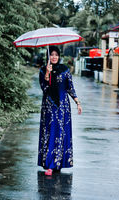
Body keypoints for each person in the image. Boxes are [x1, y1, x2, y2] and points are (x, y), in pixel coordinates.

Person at [38, 46, 82, 176]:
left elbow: (70, 88)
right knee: (50, 133)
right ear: (48, 57)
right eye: (51, 54)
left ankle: (58, 163)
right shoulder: (43, 70)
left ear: (59, 56)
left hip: (63, 107)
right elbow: (44, 88)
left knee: (61, 134)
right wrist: (47, 74)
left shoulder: (64, 70)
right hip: (49, 107)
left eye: (56, 54)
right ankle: (50, 165)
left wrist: (77, 102)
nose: (54, 57)